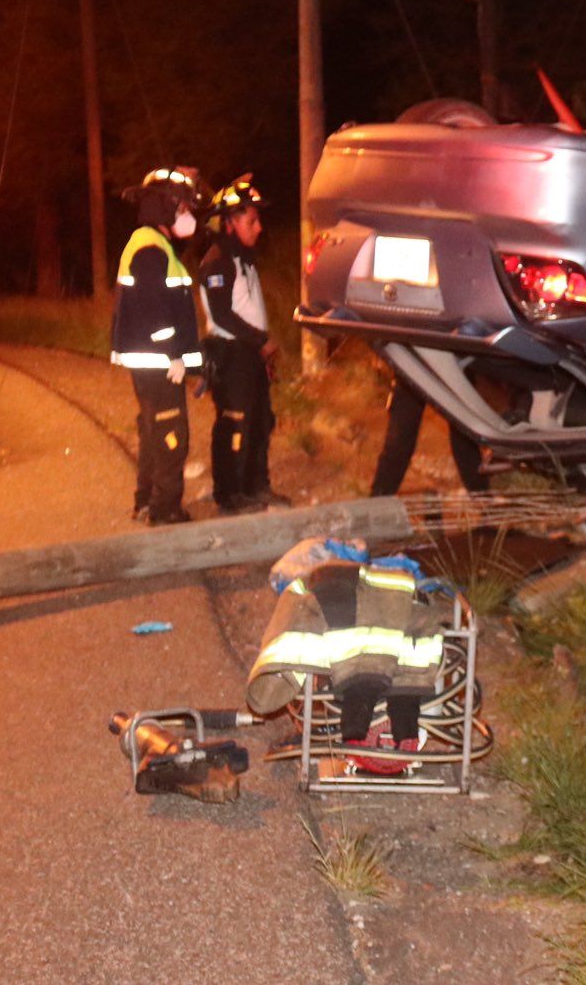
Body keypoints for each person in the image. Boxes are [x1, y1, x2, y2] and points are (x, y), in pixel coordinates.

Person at [246, 536, 446, 771]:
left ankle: (361, 722)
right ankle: (380, 721)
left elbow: (293, 632)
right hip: (386, 656)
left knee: (366, 676)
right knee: (394, 682)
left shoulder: (316, 586)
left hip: (367, 664)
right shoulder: (337, 584)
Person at [112, 167, 205, 525]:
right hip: (159, 363)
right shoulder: (152, 248)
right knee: (170, 435)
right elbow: (156, 314)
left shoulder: (152, 243)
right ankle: (165, 509)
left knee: (153, 433)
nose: (187, 216)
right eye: (182, 208)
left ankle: (147, 501)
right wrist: (175, 356)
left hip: (151, 362)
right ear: (165, 207)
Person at [197, 174, 288, 513]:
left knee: (260, 420)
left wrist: (260, 345)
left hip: (250, 354)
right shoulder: (218, 259)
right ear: (231, 223)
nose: (259, 227)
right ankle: (230, 495)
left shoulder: (243, 259)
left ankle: (256, 487)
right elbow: (221, 315)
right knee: (235, 422)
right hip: (232, 354)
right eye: (252, 220)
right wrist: (258, 340)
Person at [368, 370, 487, 498]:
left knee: (463, 436)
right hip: (416, 362)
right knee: (400, 437)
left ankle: (483, 498)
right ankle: (379, 499)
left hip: (452, 364)